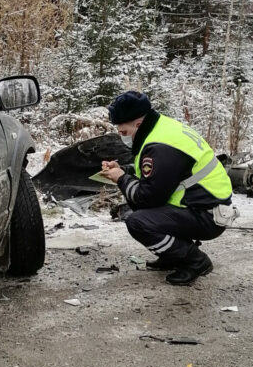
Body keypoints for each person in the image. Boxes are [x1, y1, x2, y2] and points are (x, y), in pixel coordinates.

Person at [100, 91, 236, 285]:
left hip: (207, 215)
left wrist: (121, 179)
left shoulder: (160, 145)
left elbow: (147, 198)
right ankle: (172, 255)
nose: (123, 137)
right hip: (205, 206)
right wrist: (123, 170)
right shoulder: (162, 129)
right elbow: (156, 174)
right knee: (144, 212)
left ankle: (195, 261)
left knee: (138, 221)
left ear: (138, 123)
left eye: (124, 132)